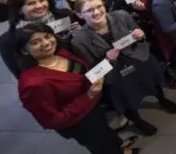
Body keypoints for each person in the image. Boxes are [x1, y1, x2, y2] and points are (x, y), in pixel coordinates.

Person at [16, 22, 140, 154]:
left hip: (93, 108)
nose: (46, 43)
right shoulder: (33, 83)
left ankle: (118, 145)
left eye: (47, 36)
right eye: (35, 42)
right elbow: (52, 119)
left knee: (105, 132)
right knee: (99, 144)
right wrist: (89, 96)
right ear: (24, 50)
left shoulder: (62, 53)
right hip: (79, 121)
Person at [71, 0, 176, 136]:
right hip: (113, 71)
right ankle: (137, 120)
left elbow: (139, 34)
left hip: (136, 56)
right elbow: (92, 70)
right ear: (80, 14)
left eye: (99, 6)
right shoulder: (79, 39)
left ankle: (161, 98)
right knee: (123, 95)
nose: (96, 12)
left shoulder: (121, 15)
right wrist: (106, 59)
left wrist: (140, 35)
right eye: (89, 10)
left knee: (151, 76)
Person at [0, 0, 80, 79]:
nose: (39, 6)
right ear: (19, 9)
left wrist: (79, 33)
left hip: (78, 66)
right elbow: (19, 73)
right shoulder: (9, 39)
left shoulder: (65, 15)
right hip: (51, 80)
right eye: (31, 3)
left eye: (42, 0)